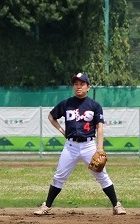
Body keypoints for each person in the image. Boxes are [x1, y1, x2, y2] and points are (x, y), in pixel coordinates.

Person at [34, 73, 126, 215]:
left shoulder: (94, 106)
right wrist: (62, 131)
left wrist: (100, 149)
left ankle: (116, 205)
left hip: (89, 146)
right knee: (59, 176)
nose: (78, 87)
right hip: (70, 146)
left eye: (82, 84)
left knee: (102, 176)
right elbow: (51, 116)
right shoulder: (67, 104)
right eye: (76, 84)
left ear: (88, 87)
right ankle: (46, 206)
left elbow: (99, 127)